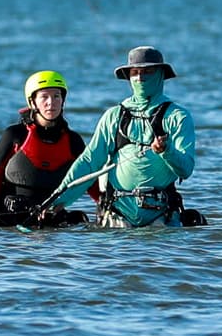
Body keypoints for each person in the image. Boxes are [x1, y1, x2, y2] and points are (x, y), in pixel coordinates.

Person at [56, 44, 203, 228]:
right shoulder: (113, 116)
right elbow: (89, 162)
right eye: (134, 72)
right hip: (116, 218)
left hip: (163, 221)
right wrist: (59, 199)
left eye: (147, 71)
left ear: (161, 75)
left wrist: (167, 150)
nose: (140, 78)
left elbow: (186, 169)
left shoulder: (178, 116)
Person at [0, 72, 84, 228]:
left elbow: (91, 182)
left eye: (56, 96)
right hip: (11, 223)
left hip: (50, 221)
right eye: (44, 97)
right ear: (32, 102)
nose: (51, 103)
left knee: (80, 219)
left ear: (63, 100)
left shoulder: (73, 141)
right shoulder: (14, 135)